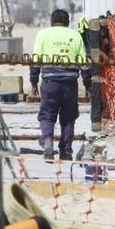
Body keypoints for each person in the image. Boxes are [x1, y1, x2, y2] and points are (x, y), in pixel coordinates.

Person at [30, 8, 87, 161]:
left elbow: (35, 61)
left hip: (50, 83)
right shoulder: (75, 35)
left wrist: (33, 82)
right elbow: (84, 63)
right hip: (70, 85)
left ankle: (47, 141)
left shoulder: (43, 34)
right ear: (68, 22)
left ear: (51, 22)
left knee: (47, 115)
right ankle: (66, 152)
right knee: (68, 118)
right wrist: (88, 85)